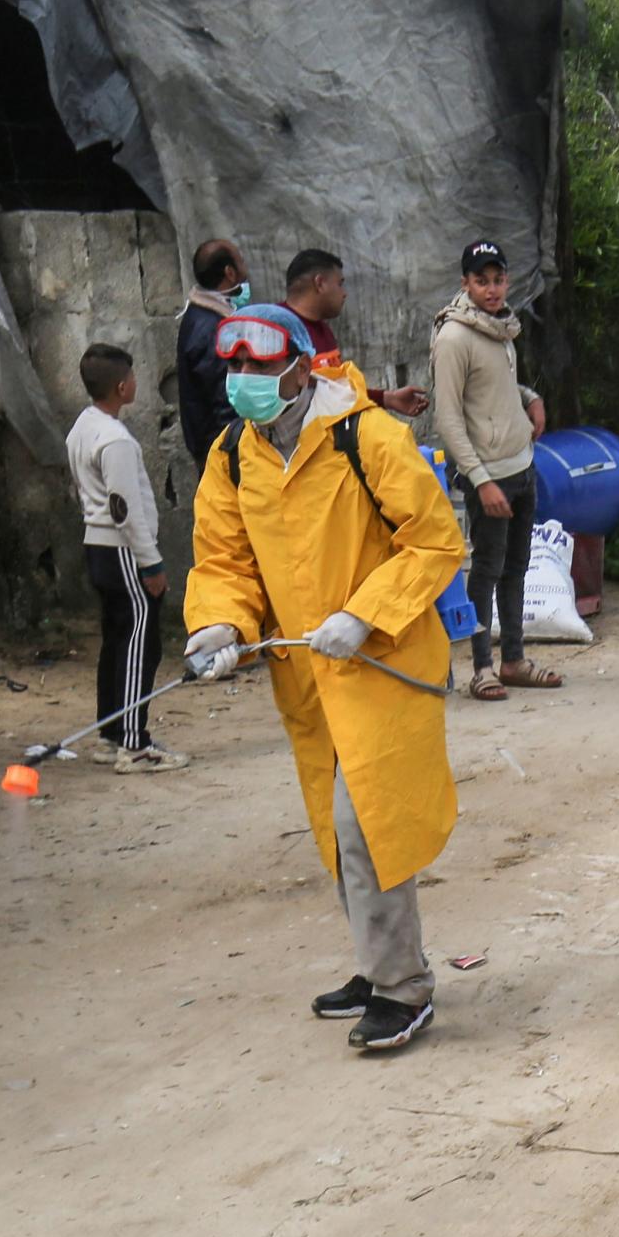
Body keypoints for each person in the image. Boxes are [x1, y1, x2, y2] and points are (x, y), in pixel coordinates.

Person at [182, 302, 464, 1052]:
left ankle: (404, 988)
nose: (243, 380)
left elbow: (435, 542)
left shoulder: (365, 435)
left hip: (384, 662)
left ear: (303, 367)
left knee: (366, 823)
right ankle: (377, 969)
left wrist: (366, 613)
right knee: (335, 828)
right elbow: (224, 560)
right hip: (305, 672)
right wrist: (221, 625)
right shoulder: (234, 454)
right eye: (233, 367)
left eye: (259, 366)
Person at [430, 239, 560, 701]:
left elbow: (496, 386)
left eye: (498, 279)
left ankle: (514, 661)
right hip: (489, 473)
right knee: (485, 569)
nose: (492, 288)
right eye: (481, 280)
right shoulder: (454, 337)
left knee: (517, 568)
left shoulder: (500, 327)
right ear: (465, 283)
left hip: (522, 465)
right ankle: (482, 667)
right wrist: (480, 480)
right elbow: (448, 417)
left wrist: (530, 399)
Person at [67, 344, 186, 774]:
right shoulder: (115, 439)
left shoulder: (84, 426)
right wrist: (151, 563)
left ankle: (110, 733)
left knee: (118, 640)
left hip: (100, 549)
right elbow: (122, 507)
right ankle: (134, 745)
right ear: (122, 387)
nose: (137, 383)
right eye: (133, 378)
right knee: (141, 642)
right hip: (121, 551)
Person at [283, 248, 430, 420]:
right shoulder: (278, 331)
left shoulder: (323, 329)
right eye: (340, 284)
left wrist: (387, 398)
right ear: (320, 283)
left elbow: (336, 392)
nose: (344, 293)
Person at [176, 239, 247, 461]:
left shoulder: (200, 316)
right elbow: (225, 399)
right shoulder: (213, 328)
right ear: (230, 273)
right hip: (222, 451)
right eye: (241, 262)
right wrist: (237, 453)